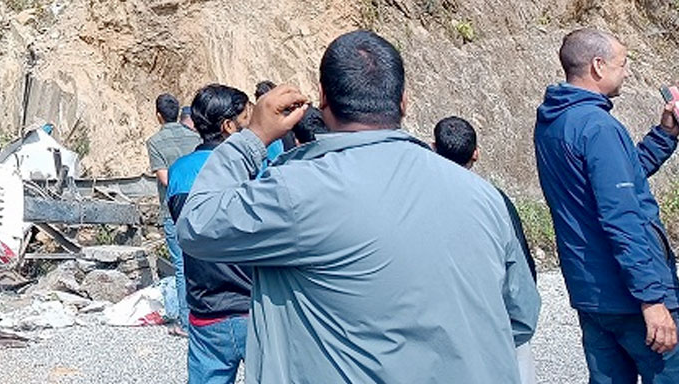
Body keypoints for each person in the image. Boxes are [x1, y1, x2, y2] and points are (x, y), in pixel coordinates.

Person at [177, 30, 539, 384]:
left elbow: (197, 224)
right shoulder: (484, 195)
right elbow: (521, 317)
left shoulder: (298, 191)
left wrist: (252, 138)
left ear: (323, 99)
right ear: (404, 101)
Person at [535, 28, 679, 383]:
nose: (627, 71)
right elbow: (622, 217)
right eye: (623, 63)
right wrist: (652, 299)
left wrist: (665, 135)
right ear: (598, 66)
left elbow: (616, 182)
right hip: (629, 295)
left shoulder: (553, 122)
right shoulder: (599, 127)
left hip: (591, 294)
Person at [434, 115, 537, 383]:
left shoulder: (418, 201)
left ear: (433, 148)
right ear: (476, 154)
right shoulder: (494, 200)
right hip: (498, 329)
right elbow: (522, 273)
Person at [167, 84, 253, 384]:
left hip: (205, 307)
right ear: (229, 126)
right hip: (253, 307)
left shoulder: (179, 171)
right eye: (247, 119)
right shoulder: (252, 167)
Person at [145, 92, 199, 334]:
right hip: (200, 206)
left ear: (158, 116)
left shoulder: (155, 142)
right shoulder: (195, 137)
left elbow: (165, 178)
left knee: (182, 265)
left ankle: (186, 322)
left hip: (172, 210)